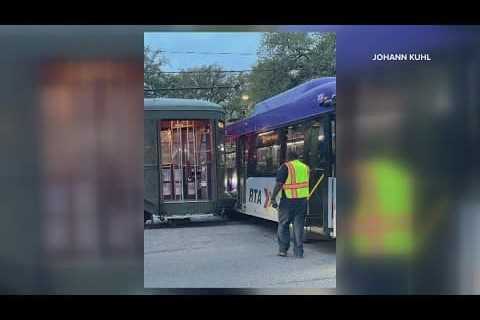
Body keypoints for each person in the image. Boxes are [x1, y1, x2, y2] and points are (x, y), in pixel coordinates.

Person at [270, 150, 310, 258]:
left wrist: (273, 197)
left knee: (283, 224)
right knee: (299, 226)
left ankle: (283, 250)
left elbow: (279, 184)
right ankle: (299, 252)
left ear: (288, 157)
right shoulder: (305, 167)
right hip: (302, 201)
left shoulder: (285, 167)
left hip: (288, 200)